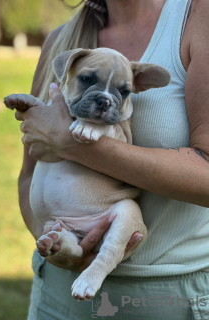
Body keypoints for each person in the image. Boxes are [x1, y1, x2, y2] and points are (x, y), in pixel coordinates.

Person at [15, 0, 209, 319]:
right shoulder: (62, 41)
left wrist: (75, 145)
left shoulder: (197, 15)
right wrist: (54, 243)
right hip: (58, 291)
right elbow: (29, 173)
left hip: (165, 299)